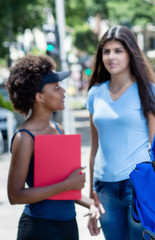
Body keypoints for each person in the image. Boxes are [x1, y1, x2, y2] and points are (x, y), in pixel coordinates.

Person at [6, 55, 104, 240]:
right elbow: (15, 195)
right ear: (39, 97)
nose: (64, 91)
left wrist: (91, 203)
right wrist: (68, 184)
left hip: (68, 226)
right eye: (56, 87)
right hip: (39, 228)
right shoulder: (24, 138)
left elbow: (64, 187)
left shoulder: (59, 129)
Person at [85, 25, 155, 240]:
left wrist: (154, 190)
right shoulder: (95, 94)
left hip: (138, 186)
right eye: (106, 51)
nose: (111, 56)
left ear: (131, 53)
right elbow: (94, 149)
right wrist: (91, 194)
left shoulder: (147, 90)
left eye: (118, 50)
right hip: (104, 188)